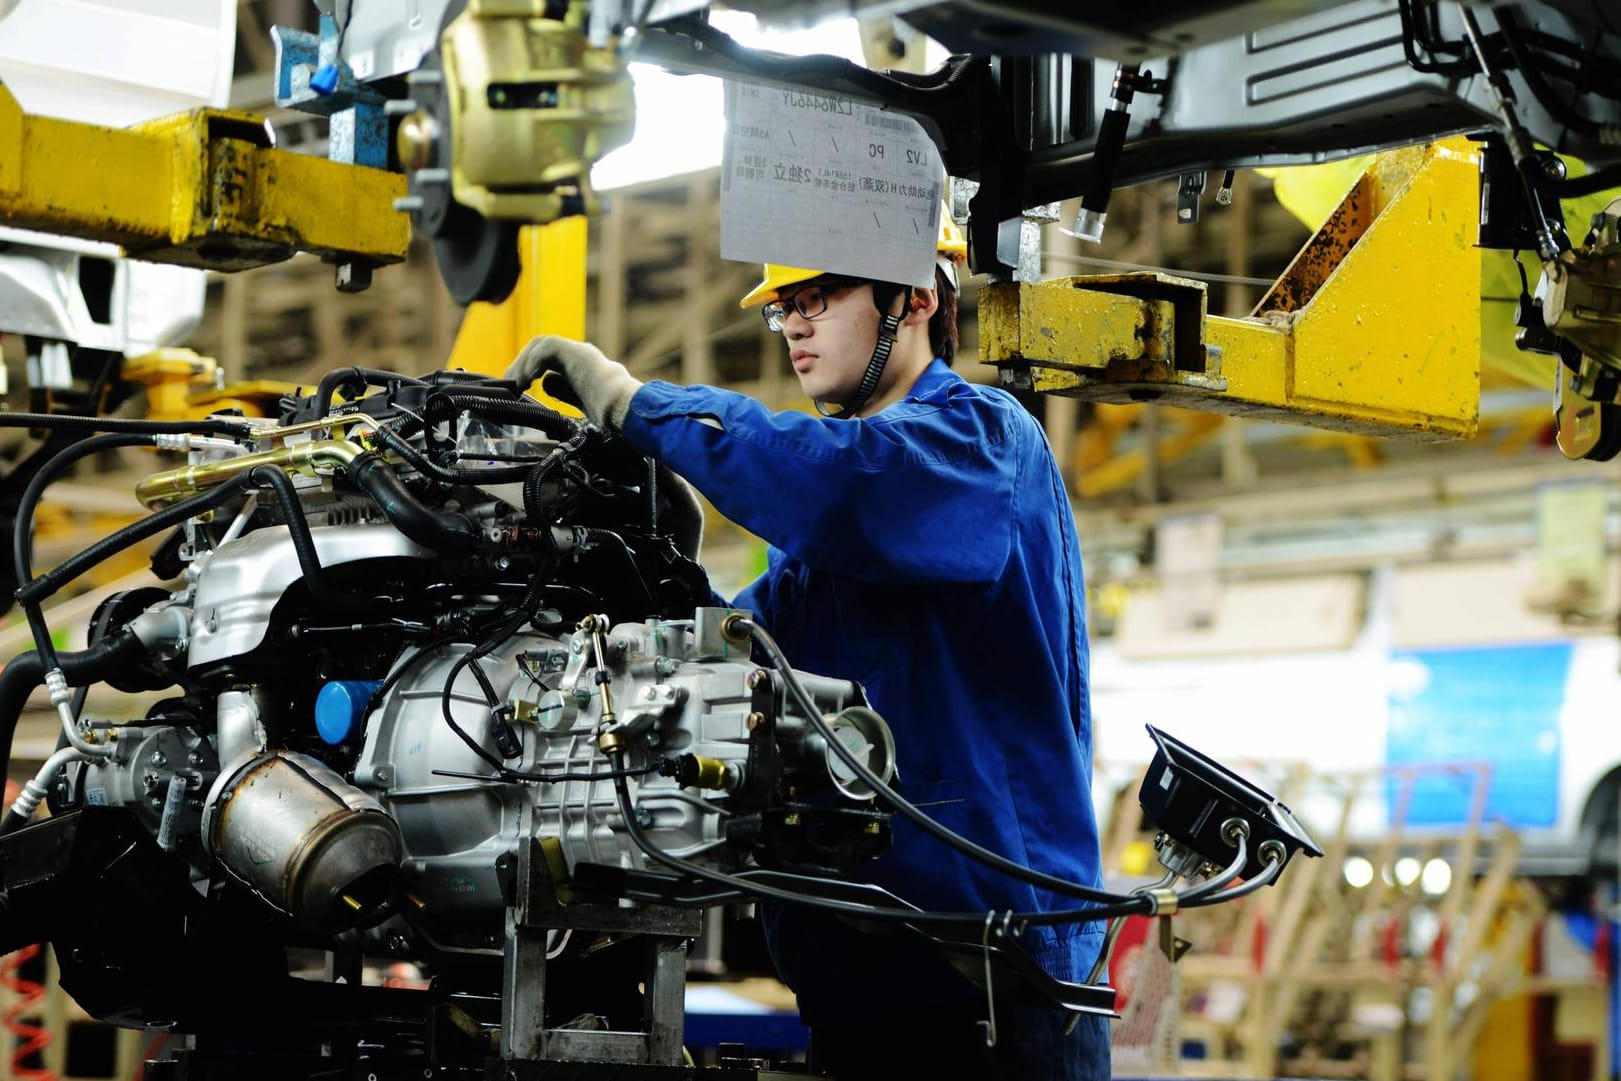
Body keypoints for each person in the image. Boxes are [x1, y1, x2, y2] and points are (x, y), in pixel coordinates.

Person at [505, 213, 1110, 1080]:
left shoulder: (982, 442)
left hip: (990, 977)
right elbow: (735, 651)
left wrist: (635, 403)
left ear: (914, 298)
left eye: (819, 297)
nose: (793, 323)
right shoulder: (813, 561)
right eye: (782, 306)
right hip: (863, 983)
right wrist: (615, 557)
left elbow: (843, 485)